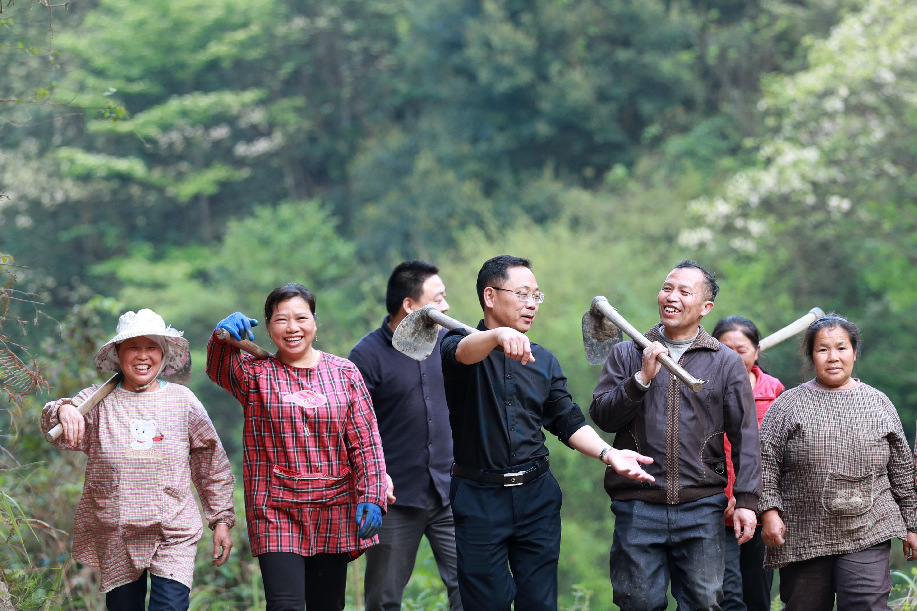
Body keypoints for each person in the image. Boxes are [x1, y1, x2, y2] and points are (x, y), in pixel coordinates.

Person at [439, 254, 655, 611]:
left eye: (536, 296)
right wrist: (497, 335)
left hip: (536, 496)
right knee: (486, 603)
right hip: (479, 498)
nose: (532, 304)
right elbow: (463, 353)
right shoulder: (458, 345)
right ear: (490, 296)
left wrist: (609, 454)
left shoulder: (544, 360)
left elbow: (568, 421)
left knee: (540, 603)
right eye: (522, 294)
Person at [590, 259, 761, 611]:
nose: (672, 297)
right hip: (637, 504)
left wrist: (746, 500)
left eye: (685, 291)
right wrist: (641, 380)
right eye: (667, 288)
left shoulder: (726, 361)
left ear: (705, 307)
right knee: (637, 603)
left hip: (702, 507)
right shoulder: (627, 353)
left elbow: (746, 437)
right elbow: (603, 416)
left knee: (704, 604)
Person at [206, 283, 387, 611]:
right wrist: (221, 337)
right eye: (281, 320)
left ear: (315, 323)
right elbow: (220, 369)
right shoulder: (255, 376)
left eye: (301, 318)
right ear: (268, 327)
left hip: (333, 507)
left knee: (327, 605)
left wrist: (372, 496)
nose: (292, 328)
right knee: (284, 606)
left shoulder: (345, 373)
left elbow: (366, 443)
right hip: (275, 510)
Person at [40, 308, 235, 610]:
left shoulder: (183, 401)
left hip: (173, 530)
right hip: (116, 531)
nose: (143, 356)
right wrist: (64, 409)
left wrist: (220, 519)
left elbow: (212, 463)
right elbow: (54, 425)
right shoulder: (97, 402)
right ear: (117, 355)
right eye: (133, 347)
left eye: (151, 347)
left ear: (164, 354)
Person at [759, 314, 917, 610]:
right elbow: (764, 463)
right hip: (803, 531)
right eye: (822, 349)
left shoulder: (879, 403)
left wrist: (912, 525)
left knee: (866, 603)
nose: (833, 357)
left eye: (841, 348)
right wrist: (769, 512)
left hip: (870, 527)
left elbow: (902, 472)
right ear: (811, 356)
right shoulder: (788, 405)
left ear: (855, 353)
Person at [349, 260, 462, 611]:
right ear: (410, 305)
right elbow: (350, 429)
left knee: (472, 588)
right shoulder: (366, 356)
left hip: (450, 489)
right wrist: (372, 479)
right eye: (438, 299)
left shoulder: (449, 344)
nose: (446, 307)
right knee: (384, 598)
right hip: (393, 498)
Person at [711, 316, 785, 611]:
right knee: (726, 596)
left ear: (757, 351)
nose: (733, 358)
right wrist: (725, 496)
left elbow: (779, 456)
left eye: (741, 350)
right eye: (724, 350)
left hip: (761, 510)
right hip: (715, 512)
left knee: (757, 597)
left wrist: (751, 500)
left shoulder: (774, 392)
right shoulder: (700, 390)